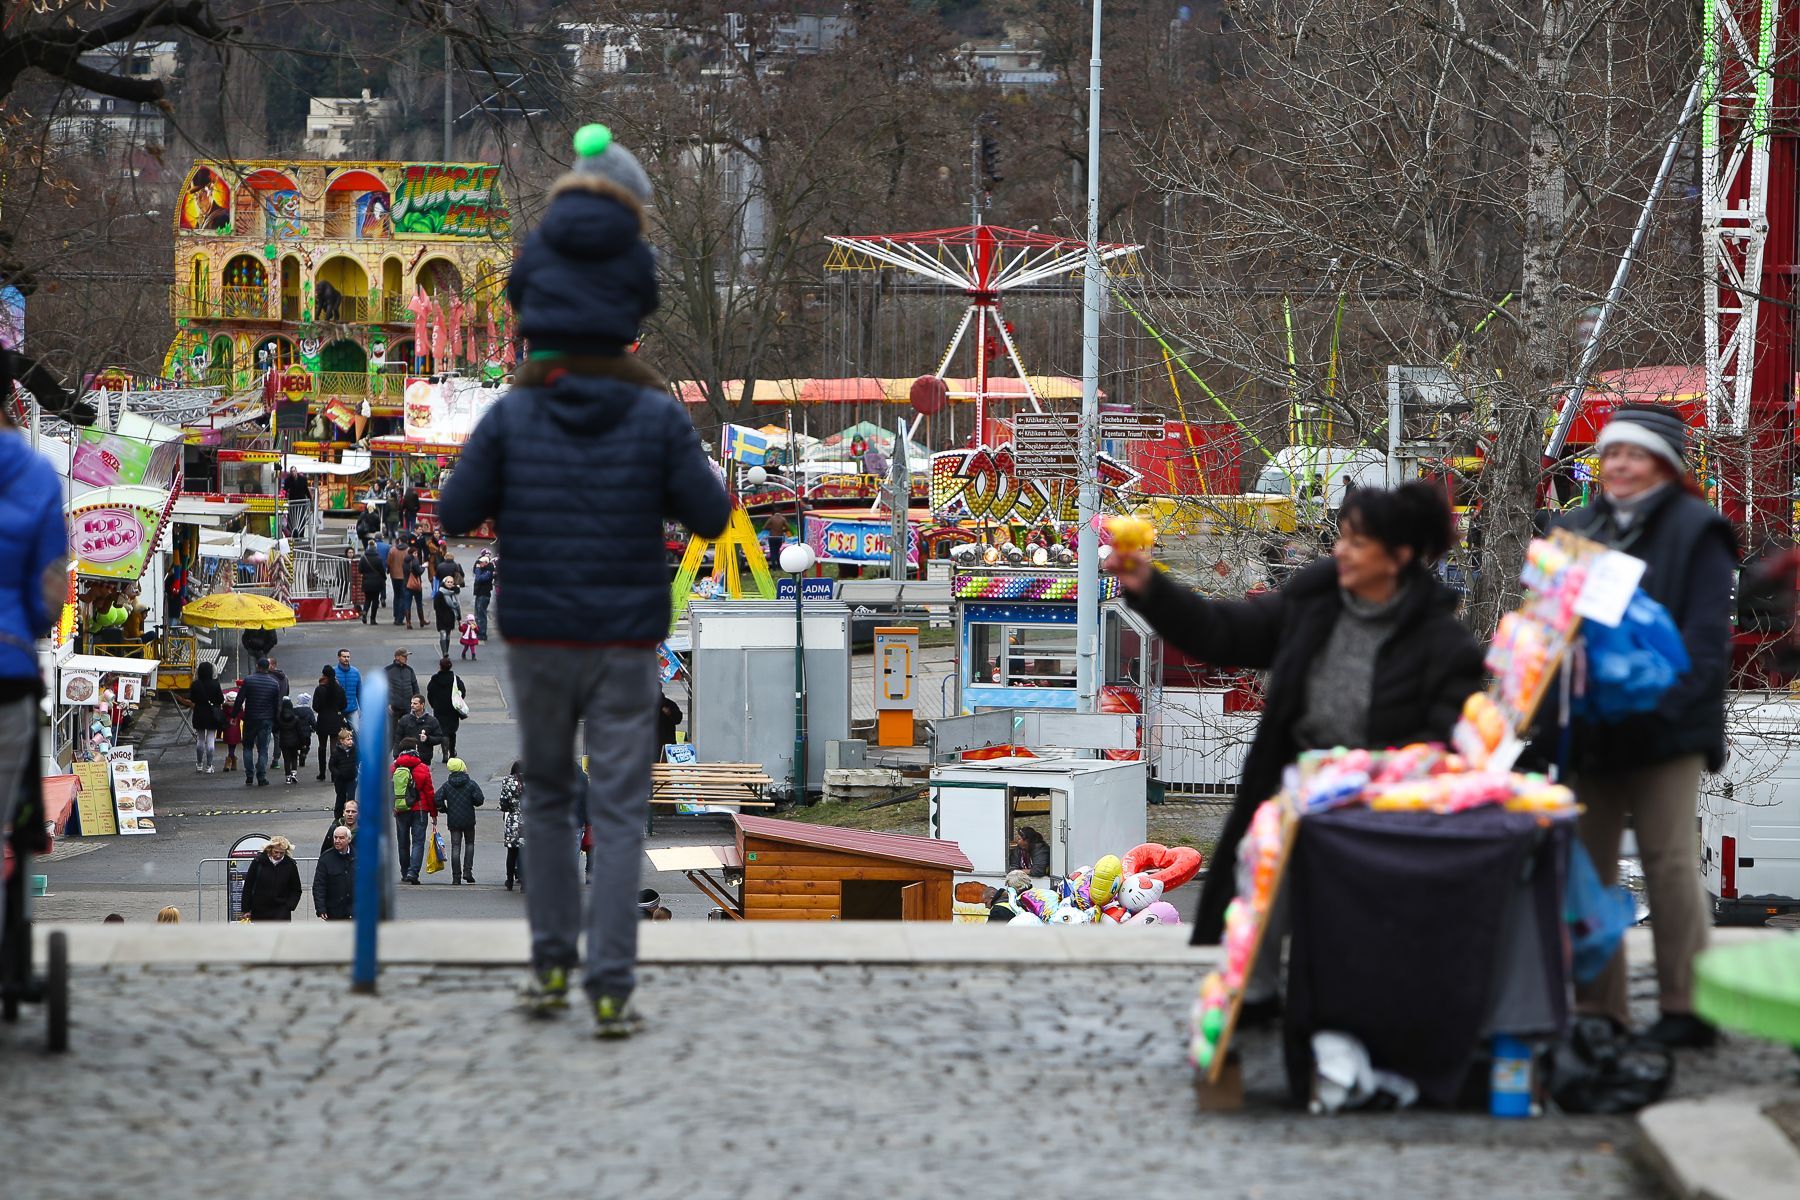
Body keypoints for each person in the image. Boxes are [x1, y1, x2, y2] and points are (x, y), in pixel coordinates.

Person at [438, 121, 730, 1036]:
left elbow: (452, 513)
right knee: (621, 810)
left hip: (538, 635)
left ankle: (553, 970)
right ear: (628, 312)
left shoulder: (513, 413)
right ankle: (612, 982)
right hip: (627, 637)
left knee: (554, 804)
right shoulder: (654, 413)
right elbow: (715, 515)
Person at [1110, 481, 1484, 954]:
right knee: (1252, 932)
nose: (1340, 550)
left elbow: (1443, 748)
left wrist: (1366, 777)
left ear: (1399, 557)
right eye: (1342, 536)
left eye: (1358, 542)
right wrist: (1150, 586)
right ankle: (1249, 1009)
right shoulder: (1313, 604)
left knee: (1350, 951)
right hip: (1286, 804)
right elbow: (1220, 632)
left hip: (1378, 823)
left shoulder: (1443, 646)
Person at [1546, 405, 1736, 1049]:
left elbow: (1708, 641)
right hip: (1590, 731)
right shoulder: (1575, 528)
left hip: (1667, 729)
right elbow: (1546, 631)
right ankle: (1601, 1011)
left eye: (1634, 454)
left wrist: (1660, 699)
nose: (1619, 466)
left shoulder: (1697, 530)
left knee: (1668, 864)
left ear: (1665, 464)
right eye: (1611, 454)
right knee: (1588, 870)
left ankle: (1687, 1010)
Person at [0, 393, 67, 937]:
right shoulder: (37, 476)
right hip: (9, 666)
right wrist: (36, 627)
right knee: (13, 806)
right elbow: (51, 587)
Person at [391, 738, 438, 884]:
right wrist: (434, 813)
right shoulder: (422, 767)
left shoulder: (393, 768)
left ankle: (404, 872)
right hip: (420, 808)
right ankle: (413, 872)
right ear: (415, 749)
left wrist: (393, 805)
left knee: (403, 842)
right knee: (418, 842)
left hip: (400, 808)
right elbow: (430, 792)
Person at [438, 757, 486, 885]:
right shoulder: (471, 783)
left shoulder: (447, 785)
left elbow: (437, 799)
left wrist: (445, 809)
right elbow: (479, 800)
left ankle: (456, 876)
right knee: (469, 844)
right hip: (468, 818)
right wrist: (472, 802)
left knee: (455, 846)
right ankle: (467, 871)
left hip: (453, 819)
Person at [236, 658, 283, 787]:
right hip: (266, 720)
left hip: (250, 718)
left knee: (247, 747)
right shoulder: (274, 683)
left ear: (257, 666)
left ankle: (249, 775)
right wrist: (276, 720)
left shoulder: (248, 680)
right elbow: (276, 704)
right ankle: (261, 777)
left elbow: (240, 699)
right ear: (268, 667)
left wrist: (234, 715)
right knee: (263, 749)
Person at [240, 837, 301, 921]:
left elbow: (296, 889)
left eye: (281, 853)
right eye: (276, 852)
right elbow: (248, 886)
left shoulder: (290, 865)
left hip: (281, 911)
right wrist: (246, 909)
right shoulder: (258, 862)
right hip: (259, 910)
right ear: (270, 849)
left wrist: (290, 906)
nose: (278, 855)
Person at [188, 661, 226, 773]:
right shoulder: (215, 684)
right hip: (212, 713)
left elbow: (192, 699)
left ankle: (199, 764)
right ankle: (209, 766)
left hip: (199, 712)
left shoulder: (195, 684)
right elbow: (220, 700)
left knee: (200, 739)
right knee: (210, 738)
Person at [312, 666, 346, 781]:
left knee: (322, 747)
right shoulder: (339, 689)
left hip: (323, 720)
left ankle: (322, 773)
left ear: (324, 675)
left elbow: (315, 707)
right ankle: (334, 773)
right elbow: (344, 705)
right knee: (334, 747)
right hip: (336, 720)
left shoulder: (320, 689)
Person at [426, 657, 465, 758]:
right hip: (452, 709)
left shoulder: (434, 679)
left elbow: (430, 693)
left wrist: (433, 704)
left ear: (440, 666)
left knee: (443, 731)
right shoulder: (455, 679)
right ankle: (452, 752)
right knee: (452, 731)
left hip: (439, 709)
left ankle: (445, 754)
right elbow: (462, 691)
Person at [314, 827, 355, 920]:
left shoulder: (359, 857)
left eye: (341, 838)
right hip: (335, 911)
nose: (337, 841)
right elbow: (319, 885)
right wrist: (321, 908)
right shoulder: (326, 858)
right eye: (335, 837)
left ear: (349, 839)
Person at [275, 694, 315, 785]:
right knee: (294, 757)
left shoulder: (280, 719)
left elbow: (275, 729)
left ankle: (287, 777)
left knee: (286, 759)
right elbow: (300, 732)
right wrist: (303, 743)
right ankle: (294, 773)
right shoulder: (295, 719)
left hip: (284, 742)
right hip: (294, 741)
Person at [384, 648, 420, 745]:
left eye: (406, 656)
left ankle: (405, 754)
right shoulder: (388, 670)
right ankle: (387, 757)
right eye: (404, 656)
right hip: (393, 707)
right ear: (397, 657)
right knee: (392, 734)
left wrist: (417, 703)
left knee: (408, 732)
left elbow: (415, 686)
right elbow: (382, 689)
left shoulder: (409, 670)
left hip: (407, 706)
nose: (406, 658)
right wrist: (387, 703)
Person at [397, 693, 445, 764]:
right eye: (411, 703)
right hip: (406, 758)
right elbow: (397, 738)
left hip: (424, 759)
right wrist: (396, 756)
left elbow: (439, 738)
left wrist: (427, 739)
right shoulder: (405, 719)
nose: (412, 705)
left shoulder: (431, 720)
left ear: (422, 705)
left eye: (415, 703)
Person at [500, 762, 526, 892]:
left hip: (513, 820)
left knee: (512, 852)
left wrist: (510, 809)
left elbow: (503, 803)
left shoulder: (507, 781)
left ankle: (509, 881)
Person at [329, 728, 359, 821]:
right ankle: (338, 817)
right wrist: (338, 774)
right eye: (348, 739)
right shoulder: (336, 752)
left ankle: (351, 815)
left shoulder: (355, 750)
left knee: (351, 797)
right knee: (340, 798)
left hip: (351, 778)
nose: (350, 741)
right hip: (340, 780)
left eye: (351, 739)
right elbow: (331, 765)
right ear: (341, 741)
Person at [434, 573, 462, 659]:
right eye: (448, 582)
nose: (450, 583)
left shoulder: (454, 593)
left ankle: (446, 651)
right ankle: (444, 653)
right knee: (443, 634)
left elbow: (457, 606)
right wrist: (440, 614)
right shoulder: (440, 593)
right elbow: (436, 606)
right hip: (442, 617)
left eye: (451, 582)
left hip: (450, 617)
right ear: (444, 582)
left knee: (448, 635)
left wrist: (459, 618)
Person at [333, 648, 362, 730]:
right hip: (338, 709)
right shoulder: (333, 671)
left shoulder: (355, 672)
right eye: (344, 656)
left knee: (356, 730)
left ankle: (356, 743)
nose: (346, 659)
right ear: (338, 658)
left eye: (348, 657)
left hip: (352, 708)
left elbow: (359, 692)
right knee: (338, 731)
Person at [358, 542, 386, 624]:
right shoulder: (378, 558)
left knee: (367, 600)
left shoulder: (363, 558)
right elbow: (382, 571)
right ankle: (373, 619)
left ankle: (364, 613)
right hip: (376, 582)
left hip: (366, 582)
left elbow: (360, 570)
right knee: (375, 600)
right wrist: (384, 578)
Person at [387, 536, 412, 628]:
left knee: (396, 596)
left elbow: (388, 562)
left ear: (400, 541)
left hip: (394, 575)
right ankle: (400, 618)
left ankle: (395, 615)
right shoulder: (408, 551)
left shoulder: (392, 550)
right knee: (403, 596)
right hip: (404, 576)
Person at [472, 550, 496, 641]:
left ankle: (482, 634)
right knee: (477, 614)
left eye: (481, 563)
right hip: (479, 593)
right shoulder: (483, 569)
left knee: (481, 614)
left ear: (485, 563)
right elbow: (475, 570)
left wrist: (478, 569)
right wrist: (477, 566)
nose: (479, 564)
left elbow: (479, 579)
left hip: (484, 594)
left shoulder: (488, 571)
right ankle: (478, 631)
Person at [221, 687, 242, 772]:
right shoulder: (239, 709)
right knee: (233, 746)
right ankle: (231, 760)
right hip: (236, 731)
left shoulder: (225, 709)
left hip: (227, 730)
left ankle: (232, 761)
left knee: (230, 746)